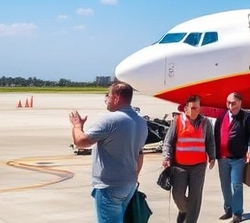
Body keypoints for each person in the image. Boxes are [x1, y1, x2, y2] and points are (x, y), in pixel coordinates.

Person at [68, 81, 148, 223]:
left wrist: (77, 126)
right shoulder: (140, 121)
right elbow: (139, 155)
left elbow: (81, 142)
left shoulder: (111, 120)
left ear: (116, 98)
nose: (106, 100)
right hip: (128, 184)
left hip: (110, 186)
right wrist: (133, 177)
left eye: (108, 96)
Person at [162, 95, 216, 223]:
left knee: (195, 198)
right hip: (180, 165)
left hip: (198, 166)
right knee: (178, 195)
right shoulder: (177, 121)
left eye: (197, 108)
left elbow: (210, 141)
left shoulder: (205, 122)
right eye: (193, 108)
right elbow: (168, 141)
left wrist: (212, 156)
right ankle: (184, 210)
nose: (196, 110)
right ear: (186, 109)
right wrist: (167, 157)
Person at [215, 92, 250, 223]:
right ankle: (228, 208)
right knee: (224, 185)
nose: (230, 105)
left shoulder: (246, 117)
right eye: (228, 102)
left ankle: (237, 213)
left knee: (236, 185)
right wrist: (213, 154)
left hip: (238, 158)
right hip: (222, 157)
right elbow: (215, 134)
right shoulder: (221, 116)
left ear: (240, 102)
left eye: (233, 103)